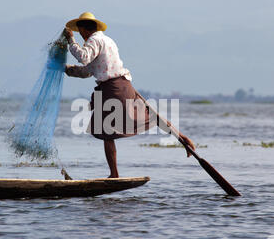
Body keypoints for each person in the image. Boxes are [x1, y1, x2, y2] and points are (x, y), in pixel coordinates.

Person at [63, 12, 195, 178]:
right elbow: (87, 71)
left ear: (84, 29)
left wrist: (70, 41)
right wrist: (66, 69)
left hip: (113, 89)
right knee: (151, 115)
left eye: (80, 31)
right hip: (125, 85)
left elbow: (83, 57)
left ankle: (114, 174)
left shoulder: (94, 40)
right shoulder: (107, 40)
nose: (80, 34)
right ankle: (183, 138)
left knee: (105, 132)